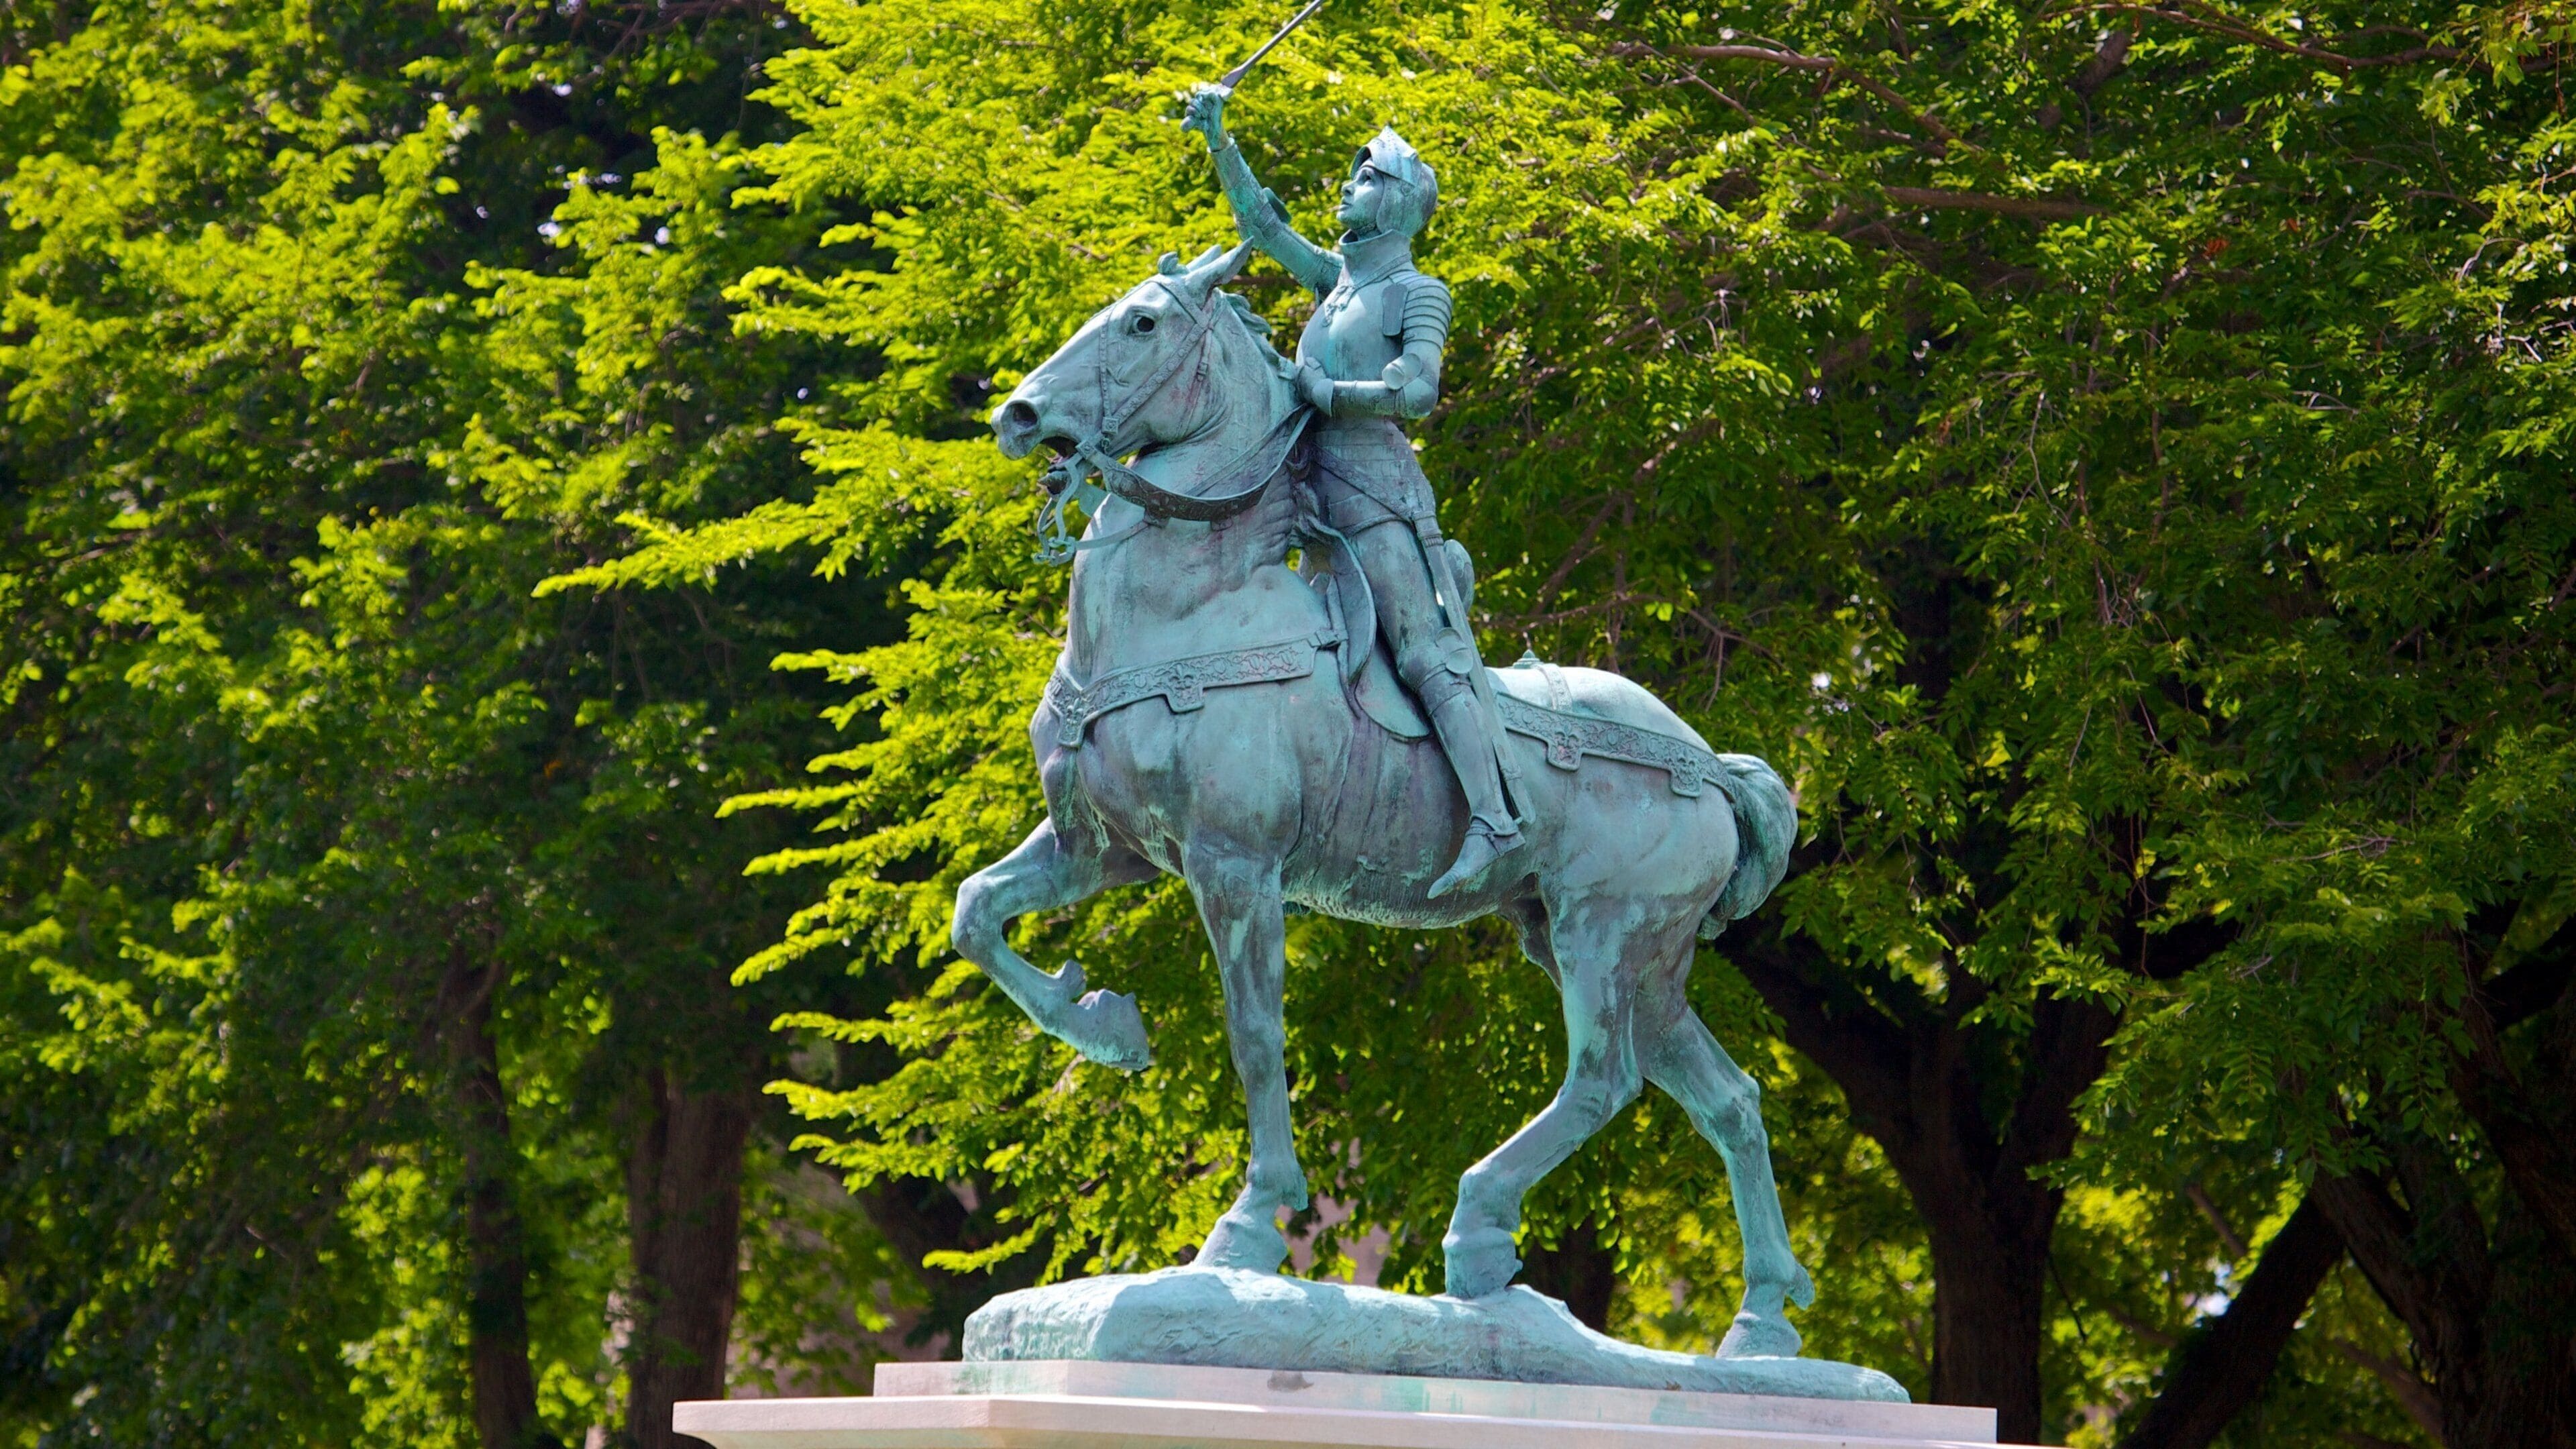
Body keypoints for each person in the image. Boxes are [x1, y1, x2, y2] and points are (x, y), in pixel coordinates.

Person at [1183, 85, 1519, 898]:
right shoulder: (1337, 281)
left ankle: (1496, 821)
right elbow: (1262, 229)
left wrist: (1328, 394)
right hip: (1307, 495)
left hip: (1374, 490)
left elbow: (1419, 393)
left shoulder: (1417, 292)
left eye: (1362, 178)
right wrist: (1220, 138)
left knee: (1420, 648)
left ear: (1398, 202)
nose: (1345, 187)